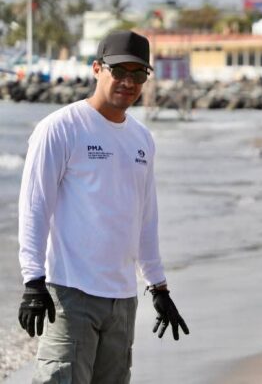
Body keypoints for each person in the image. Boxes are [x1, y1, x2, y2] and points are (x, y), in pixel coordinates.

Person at [17, 30, 189, 383]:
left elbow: (145, 218)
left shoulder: (141, 138)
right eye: (119, 71)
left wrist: (158, 286)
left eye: (138, 74)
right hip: (70, 293)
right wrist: (33, 281)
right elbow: (35, 206)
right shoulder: (61, 128)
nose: (128, 81)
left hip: (122, 302)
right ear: (97, 68)